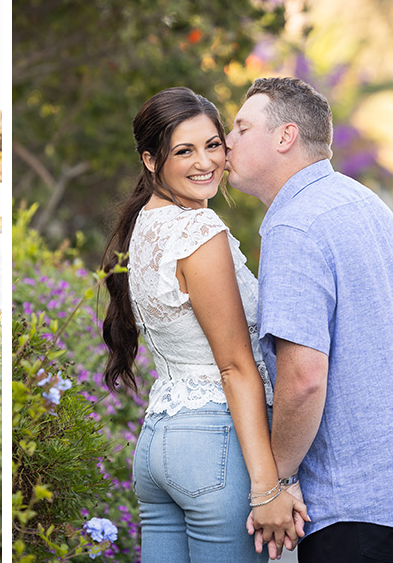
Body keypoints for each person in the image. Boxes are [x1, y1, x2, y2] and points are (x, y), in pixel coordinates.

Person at [228, 77, 393, 562]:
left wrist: (275, 483)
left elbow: (304, 378)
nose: (227, 141)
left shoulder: (294, 223)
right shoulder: (364, 202)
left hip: (365, 504)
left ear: (284, 137)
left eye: (242, 127)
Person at [101, 87, 306, 563]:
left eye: (213, 145)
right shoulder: (199, 231)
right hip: (218, 449)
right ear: (151, 160)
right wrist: (267, 487)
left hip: (158, 444)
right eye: (184, 151)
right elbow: (235, 366)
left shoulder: (145, 225)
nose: (205, 163)